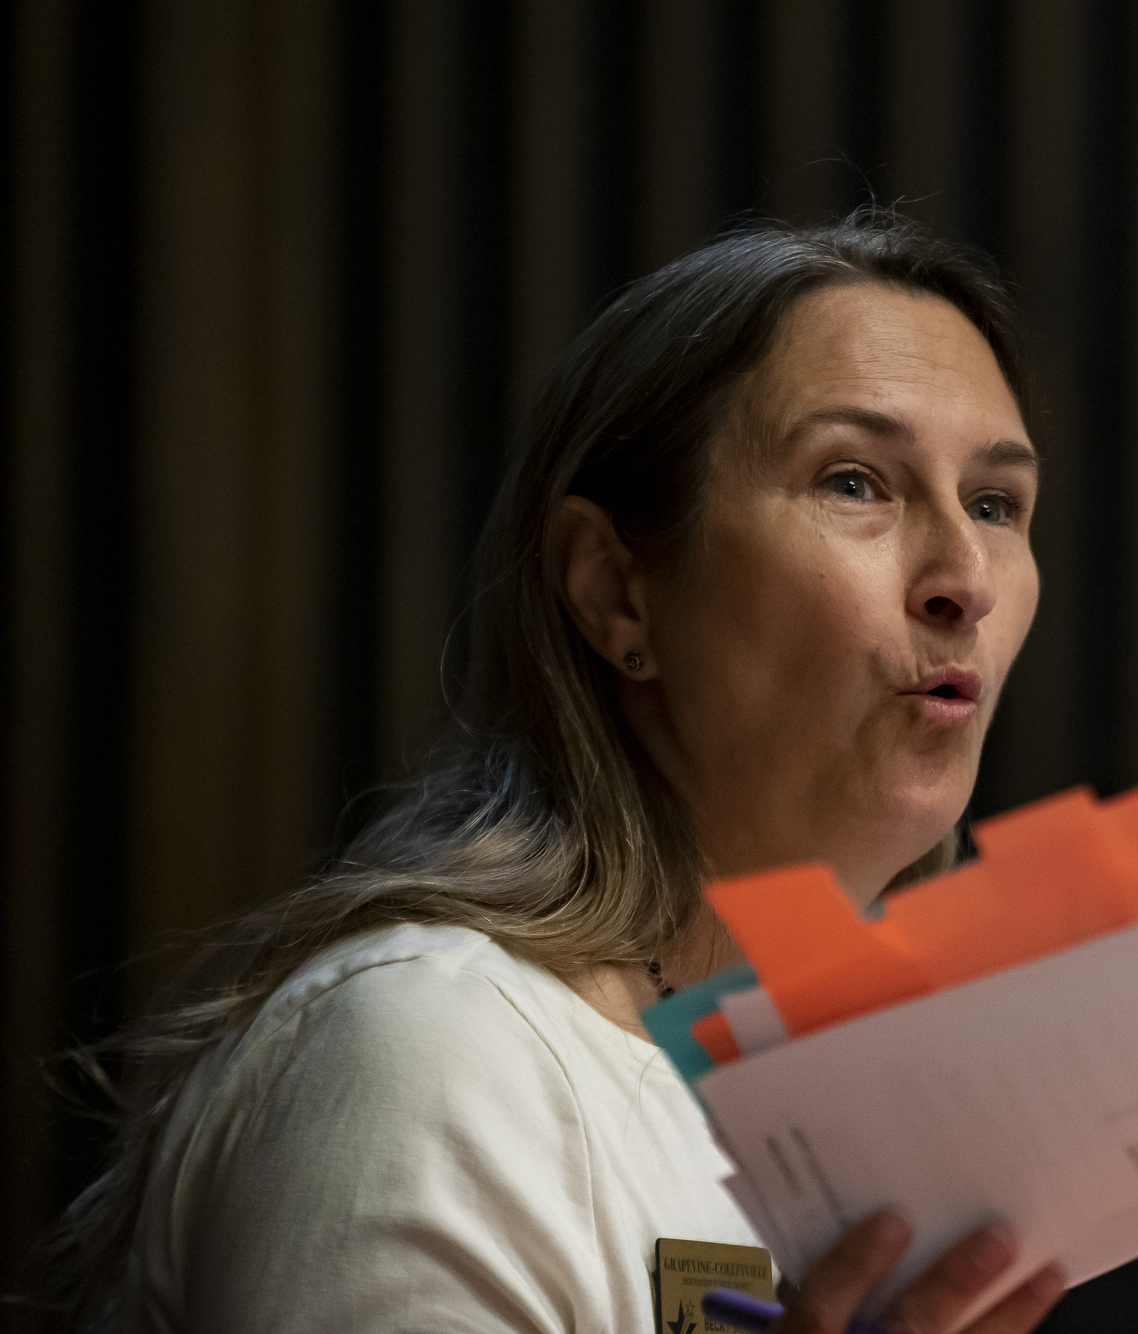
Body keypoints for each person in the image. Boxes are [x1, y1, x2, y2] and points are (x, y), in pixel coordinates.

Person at [42, 213, 1066, 1334]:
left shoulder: (894, 1123)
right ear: (616, 591)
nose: (963, 577)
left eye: (992, 503)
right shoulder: (434, 1051)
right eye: (855, 481)